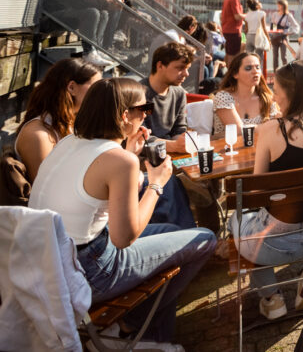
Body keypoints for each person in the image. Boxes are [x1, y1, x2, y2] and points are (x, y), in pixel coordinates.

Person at [29, 78, 216, 344]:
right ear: (126, 115)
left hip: (48, 263)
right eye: (145, 108)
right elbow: (123, 239)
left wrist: (129, 152)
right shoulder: (120, 161)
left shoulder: (68, 142)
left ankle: (153, 336)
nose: (146, 116)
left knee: (173, 233)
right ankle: (134, 323)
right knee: (204, 239)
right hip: (89, 270)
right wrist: (157, 184)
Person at [230, 60, 303, 321]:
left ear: (292, 94)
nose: (274, 96)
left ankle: (272, 298)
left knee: (237, 217)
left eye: (277, 90)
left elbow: (257, 191)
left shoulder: (269, 130)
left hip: (270, 245)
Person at [141, 42, 200, 230]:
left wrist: (182, 142)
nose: (186, 74)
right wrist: (174, 146)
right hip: (145, 159)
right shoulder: (141, 94)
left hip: (172, 156)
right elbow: (140, 137)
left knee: (207, 178)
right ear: (160, 66)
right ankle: (188, 237)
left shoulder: (179, 93)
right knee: (180, 183)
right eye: (180, 68)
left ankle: (208, 236)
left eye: (187, 68)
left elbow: (179, 129)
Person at [14, 58, 101, 182]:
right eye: (96, 87)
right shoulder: (38, 135)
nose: (102, 93)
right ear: (71, 87)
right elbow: (45, 190)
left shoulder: (74, 122)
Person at [213, 53, 278, 134]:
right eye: (248, 68)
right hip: (227, 146)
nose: (255, 71)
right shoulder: (223, 97)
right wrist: (269, 127)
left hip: (260, 146)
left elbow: (277, 129)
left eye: (258, 67)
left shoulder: (267, 98)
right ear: (235, 74)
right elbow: (238, 131)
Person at [221, 0, 250, 64]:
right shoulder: (234, 0)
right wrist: (248, 15)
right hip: (233, 30)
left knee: (228, 53)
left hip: (227, 29)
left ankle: (228, 72)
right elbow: (237, 16)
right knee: (234, 55)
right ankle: (231, 73)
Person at [268, 0, 300, 70]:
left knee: (283, 56)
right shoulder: (274, 14)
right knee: (275, 57)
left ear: (283, 6)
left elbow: (296, 26)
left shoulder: (288, 15)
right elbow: (273, 25)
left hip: (284, 37)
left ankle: (285, 72)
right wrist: (273, 32)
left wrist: (290, 32)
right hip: (275, 37)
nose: (278, 6)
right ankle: (275, 73)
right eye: (278, 4)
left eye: (279, 5)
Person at [244, 0, 271, 65]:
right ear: (257, 6)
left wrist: (245, 38)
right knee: (259, 57)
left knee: (249, 56)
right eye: (259, 2)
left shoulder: (247, 14)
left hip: (249, 36)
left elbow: (246, 29)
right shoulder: (262, 13)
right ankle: (259, 73)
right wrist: (268, 39)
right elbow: (264, 28)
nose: (260, 3)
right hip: (258, 37)